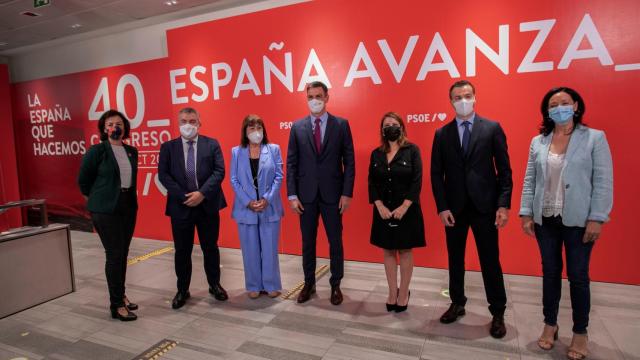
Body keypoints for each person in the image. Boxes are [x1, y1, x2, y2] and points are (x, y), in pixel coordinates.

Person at [519, 87, 613, 360]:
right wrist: (526, 212)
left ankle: (580, 331)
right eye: (553, 104)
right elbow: (529, 180)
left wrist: (597, 217)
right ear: (547, 111)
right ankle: (550, 324)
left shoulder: (594, 138)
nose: (558, 107)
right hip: (546, 218)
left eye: (564, 103)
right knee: (550, 274)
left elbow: (603, 181)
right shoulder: (539, 141)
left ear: (575, 106)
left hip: (579, 220)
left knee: (578, 277)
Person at [430, 80, 513, 338]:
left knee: (490, 260)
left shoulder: (491, 129)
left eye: (466, 95)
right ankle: (457, 303)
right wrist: (442, 207)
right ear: (451, 101)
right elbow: (436, 174)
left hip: (484, 207)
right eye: (457, 97)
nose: (462, 100)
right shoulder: (442, 134)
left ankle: (497, 312)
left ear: (475, 97)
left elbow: (505, 171)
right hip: (454, 209)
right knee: (455, 259)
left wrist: (503, 204)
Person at [286, 81, 355, 305]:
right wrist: (292, 195)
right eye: (310, 96)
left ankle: (336, 284)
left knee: (335, 241)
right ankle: (309, 283)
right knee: (308, 242)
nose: (314, 100)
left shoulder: (341, 125)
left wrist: (347, 194)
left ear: (327, 97)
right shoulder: (297, 127)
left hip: (333, 195)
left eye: (318, 96)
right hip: (305, 196)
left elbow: (350, 162)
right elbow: (292, 164)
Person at [158, 107, 228, 309]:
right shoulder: (168, 147)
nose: (187, 125)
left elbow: (219, 171)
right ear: (178, 123)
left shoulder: (211, 144)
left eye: (192, 121)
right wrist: (184, 196)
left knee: (210, 248)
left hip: (207, 205)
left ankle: (214, 285)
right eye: (183, 121)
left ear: (199, 123)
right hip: (181, 207)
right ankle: (182, 289)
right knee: (182, 251)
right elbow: (164, 175)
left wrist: (202, 193)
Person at [78, 109, 139, 321]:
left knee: (123, 254)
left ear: (125, 128)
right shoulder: (97, 151)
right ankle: (116, 305)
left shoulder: (132, 151)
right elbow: (83, 181)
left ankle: (120, 294)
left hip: (128, 207)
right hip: (105, 209)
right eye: (111, 123)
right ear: (104, 128)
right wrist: (95, 199)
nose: (116, 127)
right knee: (114, 255)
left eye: (120, 123)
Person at [368, 112, 426, 313]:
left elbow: (417, 180)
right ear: (382, 130)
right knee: (388, 250)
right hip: (383, 210)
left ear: (401, 127)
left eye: (394, 124)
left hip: (407, 210)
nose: (390, 127)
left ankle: (404, 293)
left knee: (405, 250)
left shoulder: (412, 150)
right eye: (386, 125)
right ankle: (392, 291)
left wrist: (404, 206)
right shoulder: (376, 153)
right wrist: (380, 206)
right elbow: (372, 182)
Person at [230, 114, 284, 299]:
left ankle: (271, 284)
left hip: (269, 208)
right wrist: (247, 201)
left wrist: (267, 199)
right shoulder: (236, 152)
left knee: (269, 248)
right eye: (251, 128)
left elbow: (279, 175)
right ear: (245, 132)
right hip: (246, 209)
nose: (256, 131)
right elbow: (234, 179)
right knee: (250, 249)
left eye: (259, 127)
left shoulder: (274, 149)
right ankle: (253, 285)